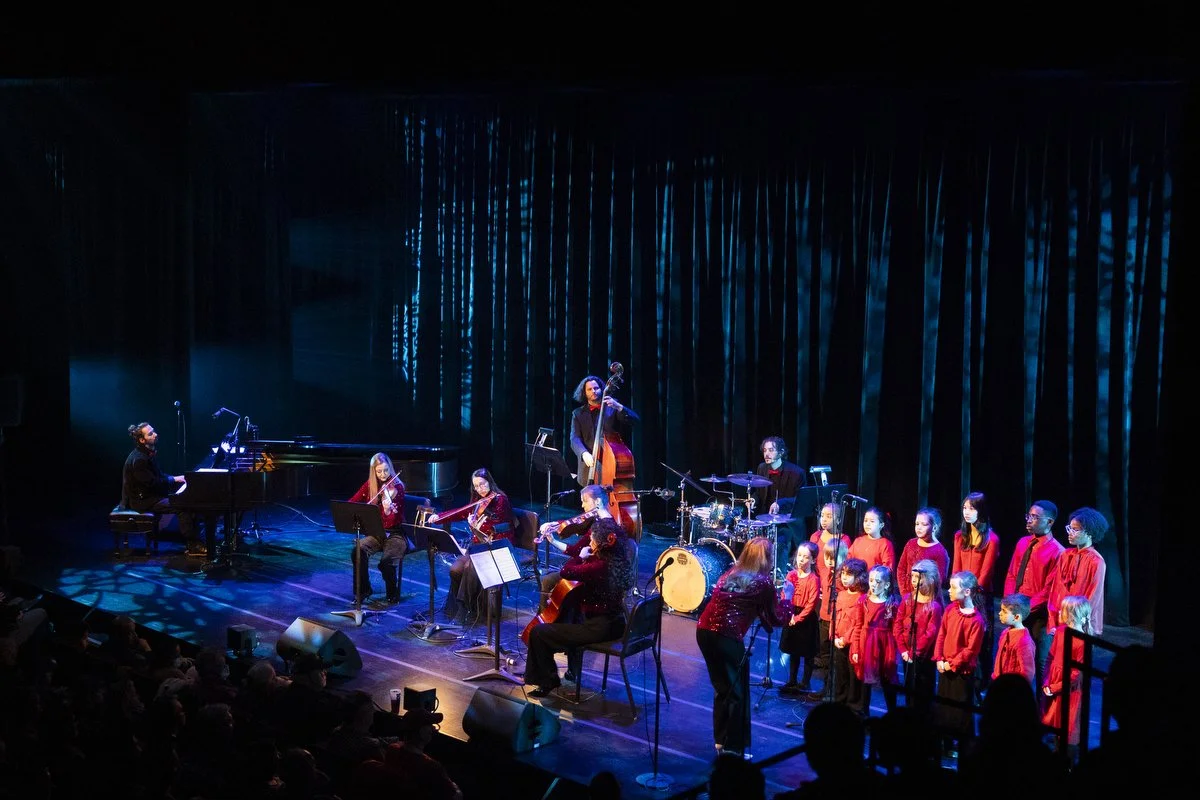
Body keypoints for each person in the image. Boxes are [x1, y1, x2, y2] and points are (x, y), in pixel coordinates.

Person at [524, 484, 635, 697]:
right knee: (571, 615)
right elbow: (576, 553)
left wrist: (582, 559)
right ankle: (570, 672)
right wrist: (556, 540)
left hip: (599, 626)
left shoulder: (597, 565)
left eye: (591, 540)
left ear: (599, 543)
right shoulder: (613, 554)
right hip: (614, 621)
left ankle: (547, 679)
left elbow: (567, 571)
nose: (588, 541)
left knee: (540, 632)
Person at [695, 536, 787, 756]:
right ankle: (733, 748)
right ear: (767, 559)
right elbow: (776, 618)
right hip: (726, 637)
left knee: (722, 688)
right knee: (737, 692)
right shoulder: (763, 582)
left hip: (704, 632)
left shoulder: (732, 572)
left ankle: (720, 741)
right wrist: (789, 598)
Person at [438, 468, 517, 623]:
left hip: (497, 547)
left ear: (489, 482)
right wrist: (439, 517)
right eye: (476, 486)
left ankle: (463, 609)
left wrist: (475, 525)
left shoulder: (500, 500)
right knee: (455, 569)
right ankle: (454, 607)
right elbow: (460, 512)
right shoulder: (478, 501)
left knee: (470, 567)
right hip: (478, 546)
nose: (480, 489)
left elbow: (497, 524)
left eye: (482, 484)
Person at [1003, 500, 1065, 688]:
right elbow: (1012, 574)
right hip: (1018, 611)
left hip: (1039, 616)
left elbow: (1049, 590)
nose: (1029, 520)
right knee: (1014, 660)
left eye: (1035, 517)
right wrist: (1009, 602)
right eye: (1028, 516)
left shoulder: (1057, 551)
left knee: (1038, 664)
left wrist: (1023, 608)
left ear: (1050, 522)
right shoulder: (1023, 543)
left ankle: (1037, 711)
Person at [122, 421, 207, 556]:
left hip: (151, 495)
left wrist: (176, 478)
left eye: (154, 431)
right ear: (142, 440)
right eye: (151, 434)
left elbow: (159, 476)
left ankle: (195, 538)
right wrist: (173, 480)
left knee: (189, 500)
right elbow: (152, 483)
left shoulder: (147, 453)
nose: (155, 434)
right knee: (182, 505)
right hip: (143, 501)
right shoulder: (139, 460)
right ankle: (192, 544)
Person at [934, 570, 986, 756]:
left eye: (953, 587)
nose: (949, 590)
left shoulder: (977, 621)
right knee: (943, 708)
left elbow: (970, 650)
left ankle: (965, 747)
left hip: (961, 672)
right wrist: (939, 658)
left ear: (967, 592)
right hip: (944, 667)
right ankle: (945, 744)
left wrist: (952, 664)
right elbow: (941, 635)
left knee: (961, 711)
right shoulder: (950, 610)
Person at [952, 492, 1000, 681]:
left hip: (979, 597)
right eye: (965, 508)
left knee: (981, 642)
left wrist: (969, 594)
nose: (967, 512)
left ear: (981, 511)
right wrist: (957, 589)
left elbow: (985, 575)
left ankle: (982, 682)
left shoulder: (991, 539)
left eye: (971, 508)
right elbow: (956, 567)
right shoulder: (959, 537)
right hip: (960, 593)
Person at [347, 452, 407, 604]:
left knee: (386, 563)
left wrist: (387, 510)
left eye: (386, 470)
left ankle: (392, 593)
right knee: (358, 551)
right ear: (373, 471)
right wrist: (349, 509)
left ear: (390, 468)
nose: (383, 474)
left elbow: (392, 519)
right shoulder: (370, 485)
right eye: (379, 471)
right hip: (377, 533)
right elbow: (353, 501)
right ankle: (363, 591)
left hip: (395, 533)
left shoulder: (397, 487)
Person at [893, 559, 944, 721]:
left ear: (930, 580)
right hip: (907, 654)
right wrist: (903, 650)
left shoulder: (934, 607)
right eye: (913, 577)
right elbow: (898, 624)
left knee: (922, 690)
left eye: (919, 578)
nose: (914, 581)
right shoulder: (908, 599)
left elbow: (930, 634)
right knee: (909, 688)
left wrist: (916, 652)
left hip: (922, 657)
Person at [1041, 595, 1091, 760]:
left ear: (1072, 614)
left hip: (1069, 691)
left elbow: (1076, 675)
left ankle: (1068, 762)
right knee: (1054, 724)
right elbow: (1050, 657)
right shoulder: (1061, 632)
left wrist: (1055, 687)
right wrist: (1047, 681)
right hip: (1054, 684)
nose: (1060, 612)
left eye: (1064, 610)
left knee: (1068, 727)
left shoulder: (1082, 641)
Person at [1046, 506, 1107, 637]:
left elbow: (1093, 597)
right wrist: (1053, 620)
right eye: (1070, 528)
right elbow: (1055, 590)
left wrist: (1076, 622)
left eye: (1075, 530)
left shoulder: (1096, 561)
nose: (1070, 533)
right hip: (1061, 620)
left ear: (1089, 532)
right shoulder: (1065, 555)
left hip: (1080, 623)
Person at [850, 564, 902, 715]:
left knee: (887, 680)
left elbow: (895, 628)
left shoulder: (891, 604)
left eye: (878, 581)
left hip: (885, 645)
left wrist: (895, 652)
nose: (873, 584)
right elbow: (858, 626)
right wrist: (855, 649)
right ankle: (863, 711)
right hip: (867, 644)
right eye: (871, 580)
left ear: (886, 585)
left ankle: (892, 713)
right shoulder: (863, 601)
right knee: (866, 680)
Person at [569, 375, 638, 487]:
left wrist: (619, 407)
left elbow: (635, 421)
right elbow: (574, 438)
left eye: (596, 388)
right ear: (584, 392)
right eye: (589, 389)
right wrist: (584, 453)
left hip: (612, 465)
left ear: (601, 388)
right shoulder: (577, 414)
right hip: (588, 469)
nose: (593, 391)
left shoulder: (612, 406)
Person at [754, 436, 805, 564]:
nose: (767, 453)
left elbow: (801, 500)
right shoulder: (762, 468)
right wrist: (753, 500)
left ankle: (780, 577)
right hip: (766, 520)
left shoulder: (796, 472)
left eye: (771, 450)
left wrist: (780, 503)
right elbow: (758, 492)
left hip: (787, 522)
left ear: (781, 452)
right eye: (765, 450)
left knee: (781, 544)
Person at [779, 541, 820, 695]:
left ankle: (805, 682)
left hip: (805, 619)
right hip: (791, 612)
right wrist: (788, 613)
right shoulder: (791, 575)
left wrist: (797, 618)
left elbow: (811, 603)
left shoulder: (813, 579)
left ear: (813, 560)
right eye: (799, 556)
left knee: (807, 653)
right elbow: (785, 594)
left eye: (805, 557)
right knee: (793, 650)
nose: (801, 559)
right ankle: (792, 680)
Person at [831, 557, 869, 713]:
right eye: (843, 574)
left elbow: (857, 624)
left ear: (858, 577)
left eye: (849, 574)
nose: (844, 578)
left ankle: (854, 707)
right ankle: (840, 702)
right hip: (838, 641)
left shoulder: (862, 598)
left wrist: (845, 639)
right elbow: (835, 617)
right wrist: (833, 636)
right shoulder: (841, 595)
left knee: (854, 676)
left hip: (852, 644)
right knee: (841, 675)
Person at [897, 507, 950, 592]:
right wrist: (904, 592)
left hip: (926, 596)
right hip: (907, 594)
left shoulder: (940, 551)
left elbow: (939, 580)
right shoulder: (911, 543)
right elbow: (901, 568)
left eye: (924, 524)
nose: (919, 527)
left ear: (934, 527)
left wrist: (923, 594)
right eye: (917, 524)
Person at [992, 593, 1036, 687]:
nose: (1000, 613)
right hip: (1000, 683)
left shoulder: (1024, 642)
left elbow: (1027, 673)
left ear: (1016, 617)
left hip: (1011, 688)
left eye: (1004, 611)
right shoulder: (1005, 632)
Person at [847, 505, 895, 570]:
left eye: (872, 521)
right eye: (865, 520)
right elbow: (848, 561)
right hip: (856, 579)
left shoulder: (885, 544)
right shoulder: (858, 541)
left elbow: (887, 569)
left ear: (881, 525)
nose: (868, 524)